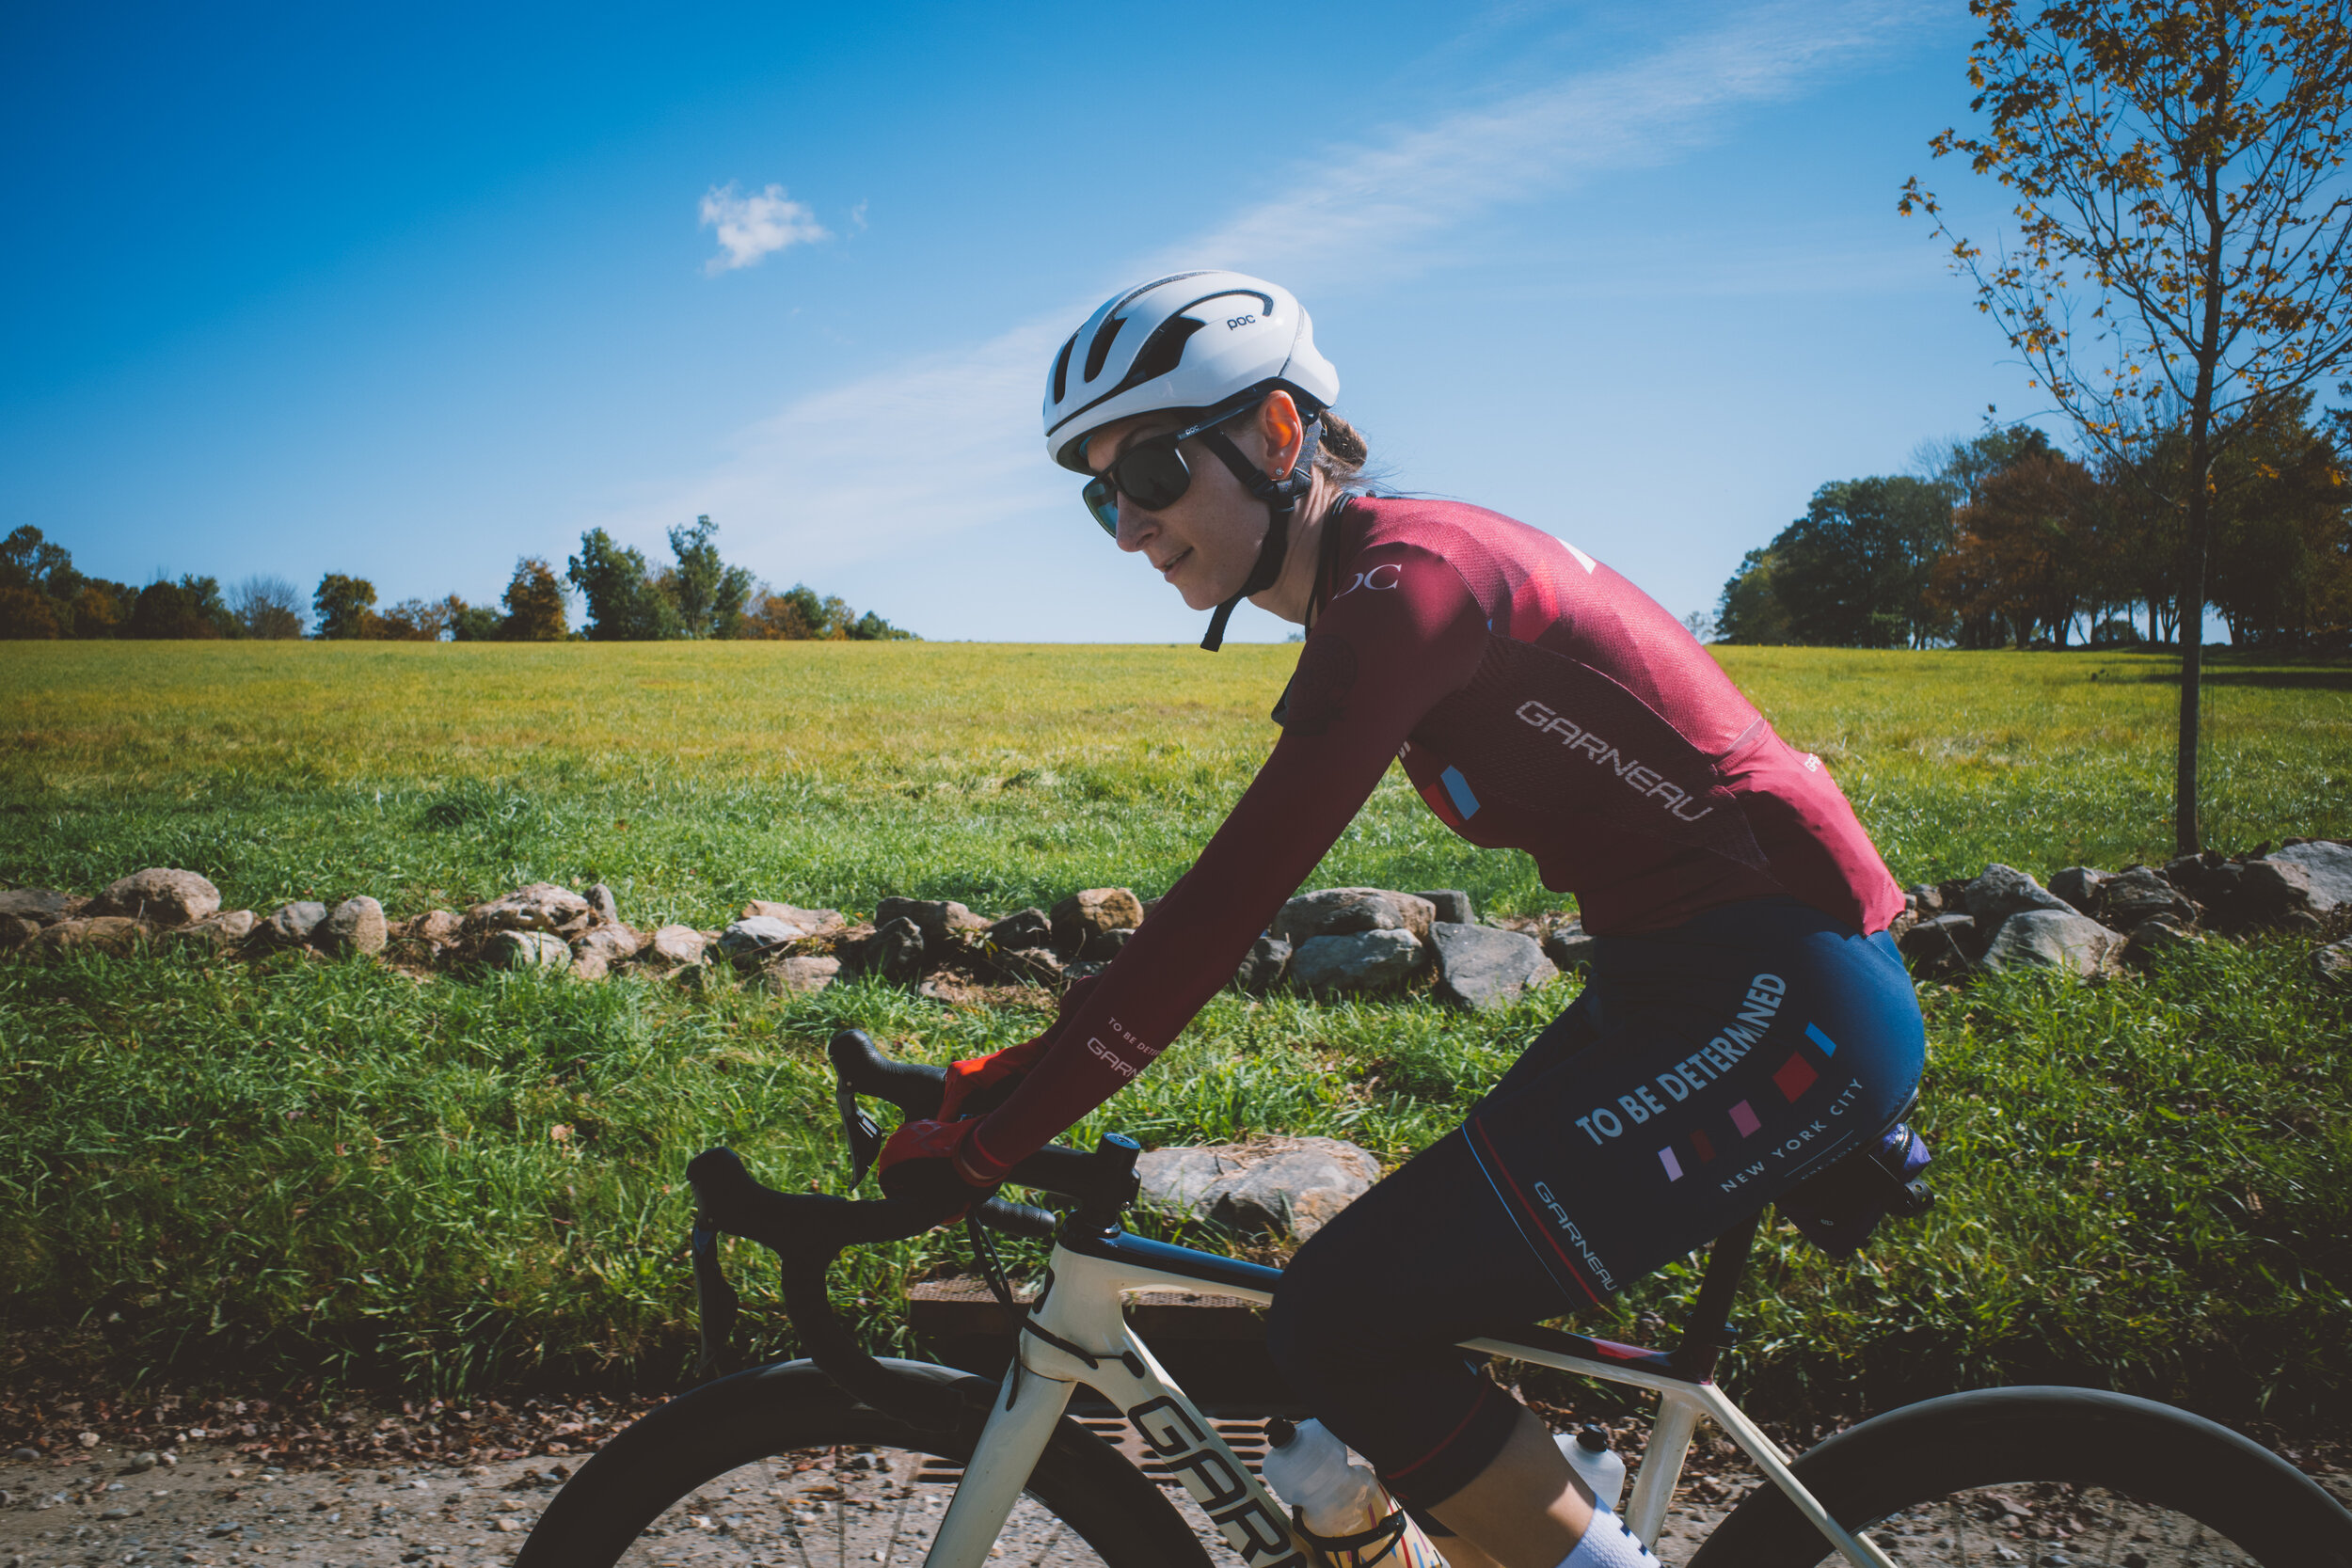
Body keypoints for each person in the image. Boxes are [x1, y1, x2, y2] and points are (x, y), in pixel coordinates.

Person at [879, 272, 1927, 1568]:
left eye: (1150, 471)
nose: (1126, 526)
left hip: (1776, 1000)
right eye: (1100, 492)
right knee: (1348, 1390)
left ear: (1276, 436)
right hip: (1700, 988)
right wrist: (1008, 1080)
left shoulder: (1406, 588)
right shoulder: (1380, 576)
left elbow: (1220, 913)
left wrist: (996, 1140)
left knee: (1342, 1323)